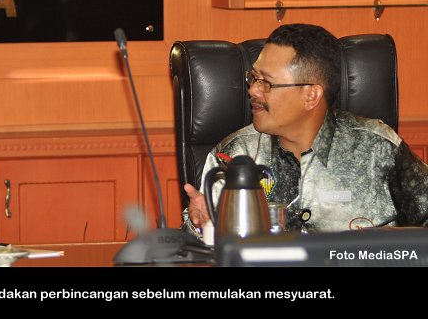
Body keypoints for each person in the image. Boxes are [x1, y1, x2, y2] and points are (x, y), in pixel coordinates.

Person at [182, 23, 428, 234]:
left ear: (311, 95)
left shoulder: (378, 149)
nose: (253, 90)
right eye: (253, 78)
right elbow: (197, 251)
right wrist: (201, 226)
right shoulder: (235, 155)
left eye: (266, 82)